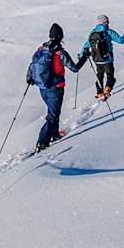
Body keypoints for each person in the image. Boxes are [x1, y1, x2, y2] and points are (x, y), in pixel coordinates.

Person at [28, 23, 81, 152]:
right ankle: (42, 141)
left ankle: (55, 134)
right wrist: (84, 56)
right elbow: (74, 68)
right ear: (60, 36)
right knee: (52, 115)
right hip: (56, 88)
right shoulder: (60, 52)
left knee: (54, 112)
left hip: (42, 87)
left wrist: (29, 77)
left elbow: (32, 64)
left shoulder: (41, 49)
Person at [79, 14, 124, 99]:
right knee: (110, 76)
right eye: (107, 21)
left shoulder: (93, 32)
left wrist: (80, 55)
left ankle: (99, 93)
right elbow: (121, 40)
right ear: (104, 22)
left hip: (97, 60)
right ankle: (107, 90)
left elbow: (86, 45)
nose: (108, 23)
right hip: (108, 59)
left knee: (99, 75)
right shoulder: (109, 32)